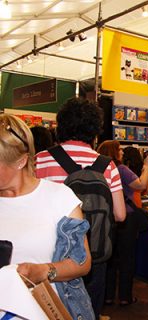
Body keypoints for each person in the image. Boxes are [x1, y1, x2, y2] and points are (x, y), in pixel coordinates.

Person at [35, 97, 126, 319]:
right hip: (93, 254)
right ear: (95, 130)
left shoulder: (40, 160)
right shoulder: (107, 165)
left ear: (61, 125)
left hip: (49, 255)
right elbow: (120, 215)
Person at [0, 114, 94, 319]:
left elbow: (82, 262)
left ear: (21, 161)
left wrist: (43, 271)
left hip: (46, 311)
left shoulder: (59, 198)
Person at [97, 141, 148, 306]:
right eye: (119, 149)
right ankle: (124, 297)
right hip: (126, 217)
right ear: (114, 152)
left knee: (110, 258)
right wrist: (147, 167)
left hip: (107, 217)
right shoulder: (120, 169)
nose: (122, 152)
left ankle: (107, 296)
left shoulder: (99, 168)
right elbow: (141, 185)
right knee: (127, 258)